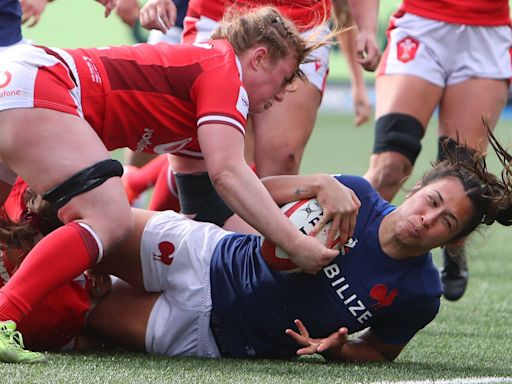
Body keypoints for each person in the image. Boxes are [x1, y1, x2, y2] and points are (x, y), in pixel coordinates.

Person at [0, 6, 347, 363]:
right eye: (284, 77)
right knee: (109, 218)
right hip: (43, 85)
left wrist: (276, 263)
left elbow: (210, 209)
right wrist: (295, 243)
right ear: (259, 58)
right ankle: (3, 316)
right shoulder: (224, 71)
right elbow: (228, 174)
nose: (281, 95)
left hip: (26, 80)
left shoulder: (202, 92)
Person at [84, 131, 512, 362]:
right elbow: (254, 192)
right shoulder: (353, 193)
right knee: (92, 231)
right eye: (432, 202)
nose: (427, 219)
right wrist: (319, 183)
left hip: (213, 336)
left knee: (85, 316)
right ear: (417, 187)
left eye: (446, 223)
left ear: (453, 240)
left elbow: (379, 351)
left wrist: (341, 348)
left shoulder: (421, 294)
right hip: (206, 254)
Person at [362, 0, 512, 300]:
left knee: (463, 172)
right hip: (422, 23)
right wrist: (365, 27)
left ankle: (453, 245)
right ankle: (342, 250)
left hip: (487, 31)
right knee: (390, 165)